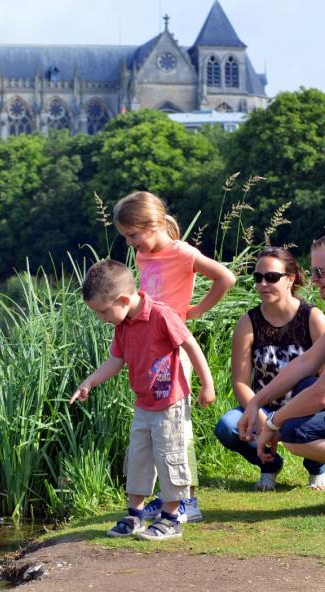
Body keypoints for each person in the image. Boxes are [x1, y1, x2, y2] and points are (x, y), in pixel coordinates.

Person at [69, 259, 215, 541]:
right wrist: (90, 381)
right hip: (143, 403)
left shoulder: (161, 316)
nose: (101, 318)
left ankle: (171, 519)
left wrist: (206, 384)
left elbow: (190, 346)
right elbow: (116, 361)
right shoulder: (123, 324)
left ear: (123, 299)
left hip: (170, 403)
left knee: (170, 457)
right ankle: (135, 515)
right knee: (138, 458)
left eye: (102, 311)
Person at [113, 191, 236, 521]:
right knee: (156, 431)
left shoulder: (183, 252)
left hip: (174, 350)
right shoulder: (143, 254)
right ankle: (170, 497)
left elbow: (226, 277)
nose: (130, 243)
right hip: (150, 351)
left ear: (152, 224)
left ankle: (187, 502)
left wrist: (196, 310)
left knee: (177, 429)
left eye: (132, 235)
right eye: (126, 237)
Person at [215, 246, 325, 490]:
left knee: (306, 391)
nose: (263, 283)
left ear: (290, 279)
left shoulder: (313, 317)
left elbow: (319, 383)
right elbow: (241, 381)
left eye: (271, 277)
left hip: (305, 403)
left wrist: (278, 420)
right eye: (257, 277)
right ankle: (269, 464)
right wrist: (260, 414)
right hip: (267, 405)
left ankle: (317, 467)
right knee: (227, 426)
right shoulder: (249, 322)